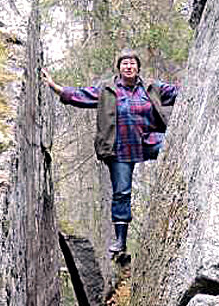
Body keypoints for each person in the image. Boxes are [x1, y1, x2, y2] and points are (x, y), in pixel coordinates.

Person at [43, 49, 180, 255]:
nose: (129, 66)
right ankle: (120, 241)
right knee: (122, 192)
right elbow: (80, 96)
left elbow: (179, 93)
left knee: (172, 148)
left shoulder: (151, 87)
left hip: (146, 141)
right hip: (119, 148)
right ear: (119, 68)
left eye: (132, 63)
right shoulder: (107, 89)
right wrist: (55, 87)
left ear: (138, 67)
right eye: (125, 63)